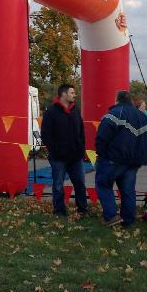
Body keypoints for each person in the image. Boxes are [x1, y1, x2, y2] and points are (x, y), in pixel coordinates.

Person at [95, 90, 147, 228]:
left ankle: (111, 215)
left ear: (117, 100)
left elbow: (102, 137)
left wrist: (102, 154)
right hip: (134, 161)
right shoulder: (144, 117)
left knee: (103, 184)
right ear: (130, 101)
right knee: (128, 190)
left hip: (113, 159)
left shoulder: (113, 114)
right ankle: (128, 220)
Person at [41, 83, 88, 218]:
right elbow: (46, 134)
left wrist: (81, 148)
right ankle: (60, 211)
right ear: (64, 94)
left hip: (75, 157)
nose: (74, 95)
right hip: (58, 158)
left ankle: (83, 210)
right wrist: (55, 150)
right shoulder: (51, 112)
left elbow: (81, 131)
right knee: (58, 186)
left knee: (80, 183)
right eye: (72, 93)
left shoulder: (75, 110)